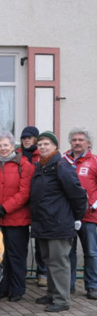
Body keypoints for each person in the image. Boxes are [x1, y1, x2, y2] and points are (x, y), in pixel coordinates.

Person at [31, 131, 87, 312]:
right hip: (44, 223)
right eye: (40, 144)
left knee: (59, 262)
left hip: (59, 223)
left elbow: (78, 195)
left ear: (55, 146)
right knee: (48, 260)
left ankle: (62, 300)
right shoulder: (41, 166)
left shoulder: (61, 166)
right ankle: (52, 293)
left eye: (46, 144)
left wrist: (76, 217)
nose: (43, 147)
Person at [0, 132, 34, 302]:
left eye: (6, 145)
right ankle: (4, 286)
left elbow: (24, 193)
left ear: (12, 146)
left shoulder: (24, 165)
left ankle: (17, 288)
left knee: (16, 255)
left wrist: (5, 208)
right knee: (1, 255)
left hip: (17, 218)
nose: (3, 148)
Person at [63, 128, 97, 299]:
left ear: (88, 143)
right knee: (68, 252)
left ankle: (92, 286)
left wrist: (93, 204)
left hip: (89, 216)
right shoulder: (64, 161)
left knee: (91, 252)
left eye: (81, 140)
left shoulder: (94, 161)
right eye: (74, 139)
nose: (77, 142)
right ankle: (68, 286)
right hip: (67, 216)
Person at [16, 125, 45, 286]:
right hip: (21, 204)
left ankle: (42, 272)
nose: (26, 140)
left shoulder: (41, 155)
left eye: (29, 137)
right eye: (24, 138)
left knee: (40, 241)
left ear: (36, 139)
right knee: (20, 242)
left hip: (38, 203)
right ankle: (22, 273)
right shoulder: (16, 154)